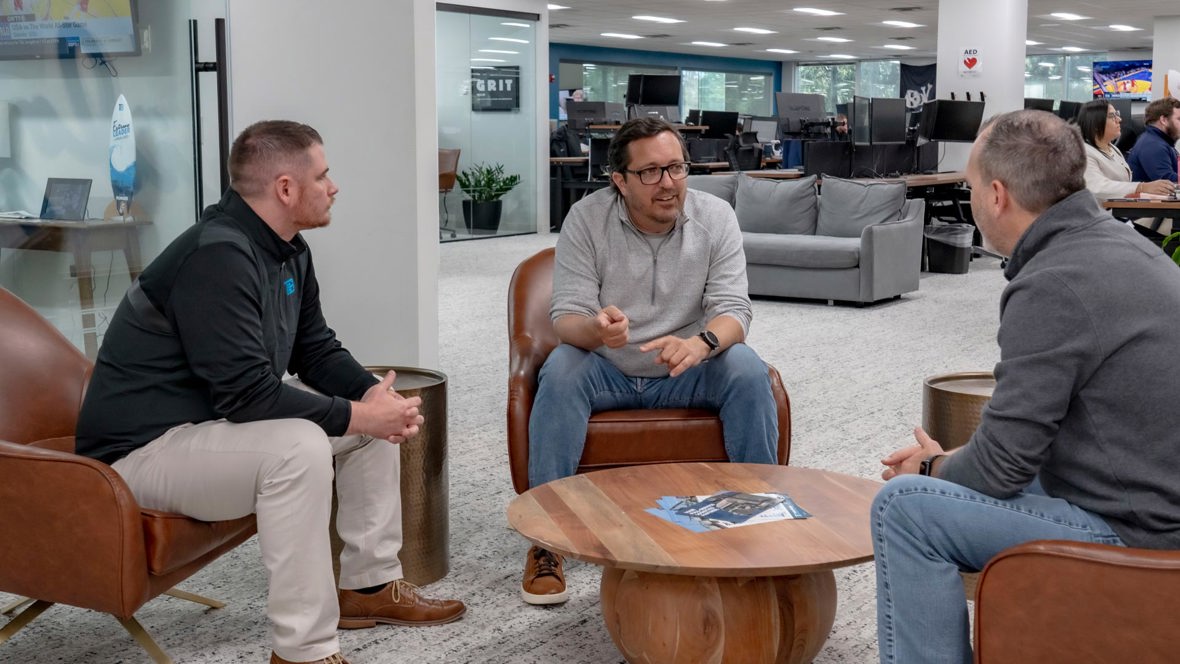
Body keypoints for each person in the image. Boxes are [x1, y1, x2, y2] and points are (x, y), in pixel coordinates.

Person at [75, 120, 465, 664]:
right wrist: (357, 414)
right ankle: (302, 649)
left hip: (210, 433)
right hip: (139, 456)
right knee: (302, 445)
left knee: (368, 424)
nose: (334, 186)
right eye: (323, 175)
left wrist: (373, 399)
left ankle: (368, 587)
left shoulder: (288, 250)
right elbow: (249, 396)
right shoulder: (216, 255)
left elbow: (316, 350)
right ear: (286, 188)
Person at [871, 109, 1180, 664]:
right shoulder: (1119, 246)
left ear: (996, 195)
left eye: (968, 187)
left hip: (1143, 529)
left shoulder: (1055, 282)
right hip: (1143, 489)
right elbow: (1020, 445)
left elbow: (1000, 471)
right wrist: (954, 462)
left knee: (906, 507)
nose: (968, 198)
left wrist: (930, 469)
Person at [520, 116, 780, 605]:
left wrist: (702, 343)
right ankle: (546, 540)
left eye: (677, 168)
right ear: (619, 180)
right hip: (608, 368)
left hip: (686, 367)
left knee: (746, 367)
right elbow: (566, 317)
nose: (668, 183)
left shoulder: (716, 215)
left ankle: (758, 521)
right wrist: (596, 330)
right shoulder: (586, 218)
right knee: (560, 369)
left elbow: (734, 310)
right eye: (651, 172)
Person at [1077, 99, 1175, 201]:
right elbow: (1097, 187)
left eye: (1117, 114)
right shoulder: (1083, 153)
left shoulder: (1112, 148)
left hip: (1121, 210)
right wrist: (1141, 187)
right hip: (1100, 214)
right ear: (1095, 123)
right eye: (1112, 116)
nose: (1119, 119)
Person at [1128, 96, 1180, 184]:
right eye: (1179, 119)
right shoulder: (1152, 145)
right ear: (1163, 120)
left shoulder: (1161, 141)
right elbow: (1167, 181)